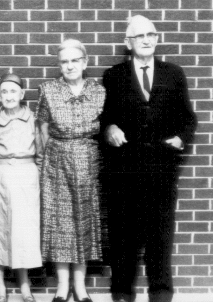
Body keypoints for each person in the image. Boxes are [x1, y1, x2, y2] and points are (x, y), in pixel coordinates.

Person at [101, 15, 197, 302]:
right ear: (127, 42)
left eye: (151, 34)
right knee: (122, 236)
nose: (146, 39)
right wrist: (110, 129)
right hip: (124, 169)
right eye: (140, 35)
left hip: (161, 168)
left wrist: (180, 138)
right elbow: (104, 118)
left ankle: (160, 292)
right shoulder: (113, 76)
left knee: (159, 235)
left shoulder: (173, 74)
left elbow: (187, 118)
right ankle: (121, 291)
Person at [36, 39, 105, 302]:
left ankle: (81, 287)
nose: (69, 65)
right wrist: (43, 164)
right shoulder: (48, 90)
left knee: (84, 222)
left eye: (75, 60)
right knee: (61, 224)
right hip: (57, 164)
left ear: (84, 63)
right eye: (64, 61)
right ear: (59, 65)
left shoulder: (99, 92)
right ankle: (62, 287)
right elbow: (41, 128)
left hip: (88, 162)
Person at [0, 74, 42, 302]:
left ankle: (24, 284)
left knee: (24, 231)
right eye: (4, 92)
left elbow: (40, 152)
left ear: (21, 94)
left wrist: (36, 175)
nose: (9, 96)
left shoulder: (33, 120)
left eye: (13, 91)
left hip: (26, 176)